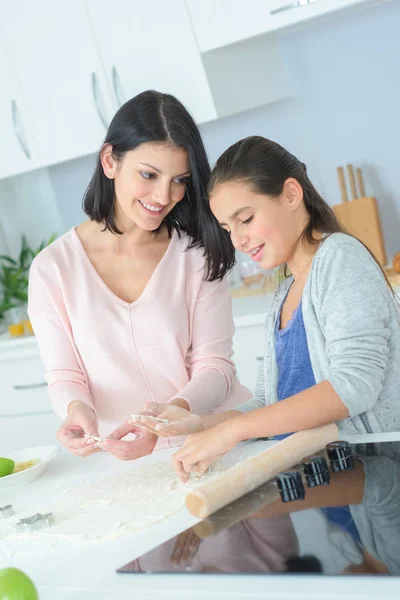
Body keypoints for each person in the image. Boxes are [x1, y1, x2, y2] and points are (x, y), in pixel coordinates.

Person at [135, 135, 400, 480]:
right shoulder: (284, 293)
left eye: (245, 218)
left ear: (291, 194)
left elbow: (353, 386)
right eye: (228, 228)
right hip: (332, 489)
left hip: (379, 476)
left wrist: (233, 432)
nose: (237, 240)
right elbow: (267, 403)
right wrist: (201, 424)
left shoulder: (340, 259)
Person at [27, 91, 250, 460]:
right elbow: (65, 375)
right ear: (110, 161)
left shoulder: (195, 253)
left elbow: (215, 365)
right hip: (128, 465)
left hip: (217, 445)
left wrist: (175, 412)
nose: (164, 196)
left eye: (179, 179)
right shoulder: (53, 269)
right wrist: (76, 409)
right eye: (148, 174)